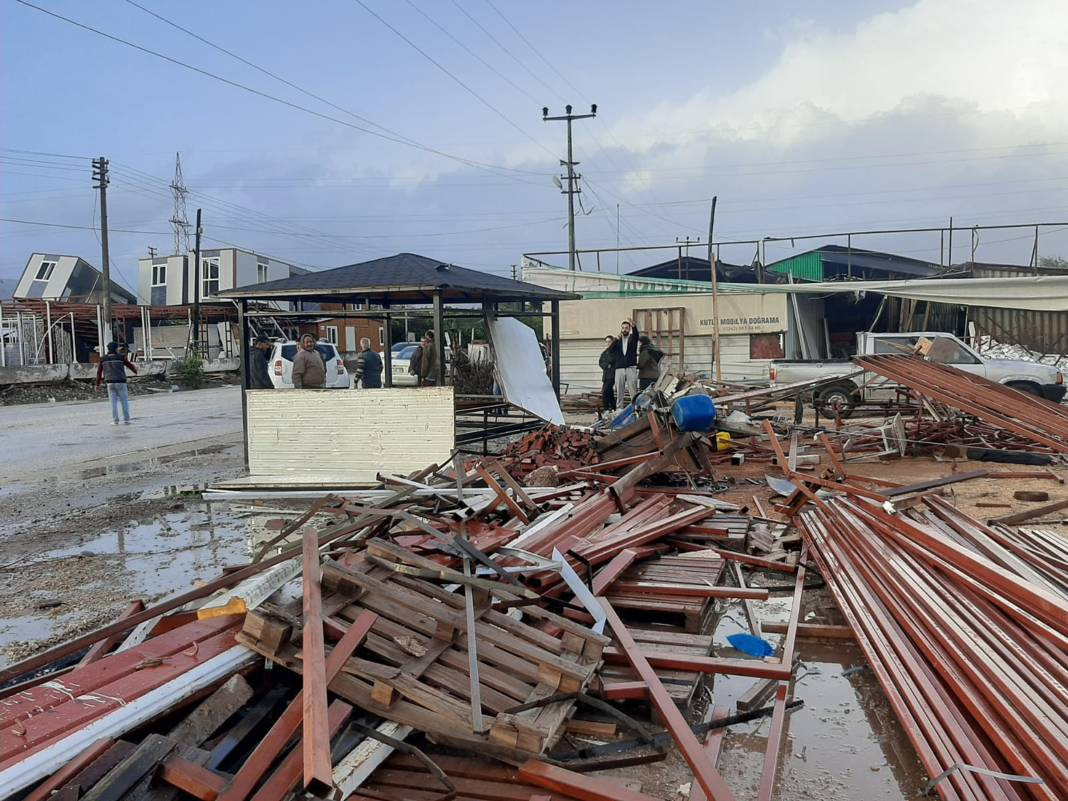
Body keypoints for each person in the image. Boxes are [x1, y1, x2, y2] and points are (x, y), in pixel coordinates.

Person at [96, 341, 138, 424]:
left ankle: (115, 421)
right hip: (121, 382)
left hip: (109, 383)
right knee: (124, 401)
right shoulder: (120, 357)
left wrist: (97, 384)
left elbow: (99, 372)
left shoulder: (103, 359)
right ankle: (126, 419)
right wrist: (135, 371)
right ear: (116, 348)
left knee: (113, 403)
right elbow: (130, 365)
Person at [612, 319, 640, 409]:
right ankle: (619, 408)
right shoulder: (617, 340)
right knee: (619, 390)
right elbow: (611, 350)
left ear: (629, 329)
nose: (624, 330)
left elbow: (636, 336)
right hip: (619, 368)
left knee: (633, 389)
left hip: (631, 367)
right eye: (623, 328)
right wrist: (616, 339)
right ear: (621, 329)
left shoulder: (632, 338)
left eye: (626, 328)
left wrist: (634, 327)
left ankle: (635, 408)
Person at [598, 335, 617, 413]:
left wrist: (609, 364)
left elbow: (612, 360)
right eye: (607, 342)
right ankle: (613, 407)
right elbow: (600, 362)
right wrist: (607, 365)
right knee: (609, 392)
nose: (608, 343)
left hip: (612, 375)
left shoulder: (615, 352)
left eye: (609, 341)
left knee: (605, 391)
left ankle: (606, 408)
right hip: (606, 375)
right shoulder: (605, 352)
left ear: (612, 342)